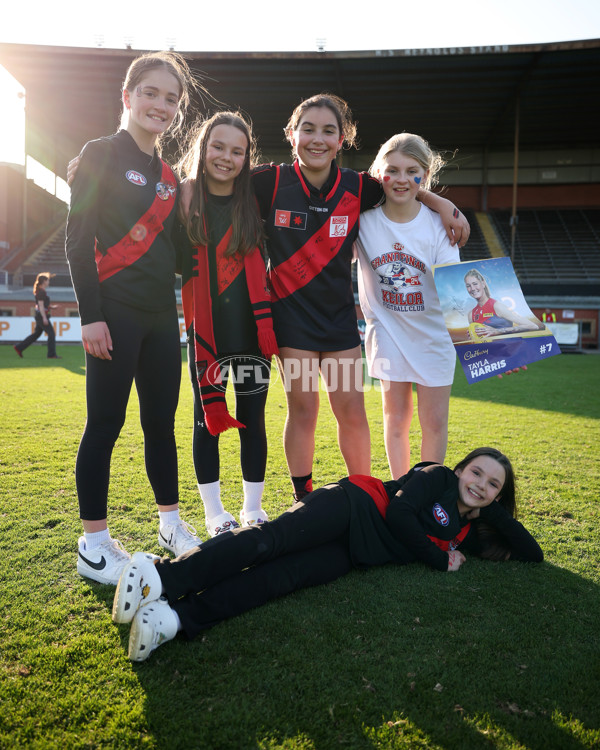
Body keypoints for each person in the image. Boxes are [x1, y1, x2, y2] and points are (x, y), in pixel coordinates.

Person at [110, 446, 543, 662]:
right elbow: (400, 515)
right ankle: (162, 577)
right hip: (350, 505)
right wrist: (439, 559)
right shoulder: (436, 477)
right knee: (267, 542)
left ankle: (176, 619)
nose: (480, 484)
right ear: (461, 467)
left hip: (355, 553)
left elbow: (532, 554)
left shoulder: (467, 530)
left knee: (279, 579)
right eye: (477, 473)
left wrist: (497, 510)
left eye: (492, 484)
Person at [249, 94, 471, 501]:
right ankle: (304, 498)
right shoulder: (268, 181)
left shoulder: (358, 188)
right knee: (304, 410)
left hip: (340, 325)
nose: (317, 139)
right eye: (308, 129)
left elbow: (402, 184)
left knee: (352, 411)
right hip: (292, 320)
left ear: (343, 137)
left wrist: (440, 203)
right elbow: (219, 184)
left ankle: (366, 497)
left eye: (328, 130)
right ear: (291, 134)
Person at [65, 51, 204, 586]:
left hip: (159, 321)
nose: (161, 105)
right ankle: (94, 544)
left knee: (160, 426)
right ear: (127, 96)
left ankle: (170, 525)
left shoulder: (169, 176)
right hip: (113, 317)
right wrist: (90, 317)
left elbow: (180, 254)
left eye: (171, 98)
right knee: (104, 426)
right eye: (151, 93)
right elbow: (78, 242)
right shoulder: (98, 154)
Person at [176, 111, 278, 538]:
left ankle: (253, 509)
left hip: (253, 336)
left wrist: (437, 201)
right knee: (207, 423)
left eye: (237, 151)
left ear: (246, 157)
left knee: (254, 422)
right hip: (206, 337)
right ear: (203, 148)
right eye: (218, 146)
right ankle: (215, 514)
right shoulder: (181, 198)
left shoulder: (257, 195)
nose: (226, 157)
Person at [355, 133, 459, 479]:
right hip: (388, 332)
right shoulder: (363, 221)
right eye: (392, 170)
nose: (401, 179)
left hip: (434, 336)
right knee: (395, 418)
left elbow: (456, 291)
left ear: (425, 176)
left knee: (434, 423)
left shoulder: (440, 226)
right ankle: (399, 490)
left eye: (412, 171)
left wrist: (501, 347)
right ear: (378, 174)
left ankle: (426, 494)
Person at [465, 268, 543, 340]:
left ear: (483, 284)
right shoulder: (471, 314)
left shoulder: (497, 306)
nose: (472, 288)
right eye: (468, 286)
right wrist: (473, 337)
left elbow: (533, 326)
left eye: (475, 284)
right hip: (491, 354)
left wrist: (497, 331)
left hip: (509, 351)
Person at [14, 272, 60, 359]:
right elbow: (41, 306)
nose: (48, 282)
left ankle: (19, 347)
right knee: (51, 334)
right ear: (44, 282)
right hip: (41, 316)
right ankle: (51, 355)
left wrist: (53, 307)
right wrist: (44, 318)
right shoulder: (41, 292)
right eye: (48, 280)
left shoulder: (41, 291)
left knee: (36, 335)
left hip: (39, 316)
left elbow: (43, 305)